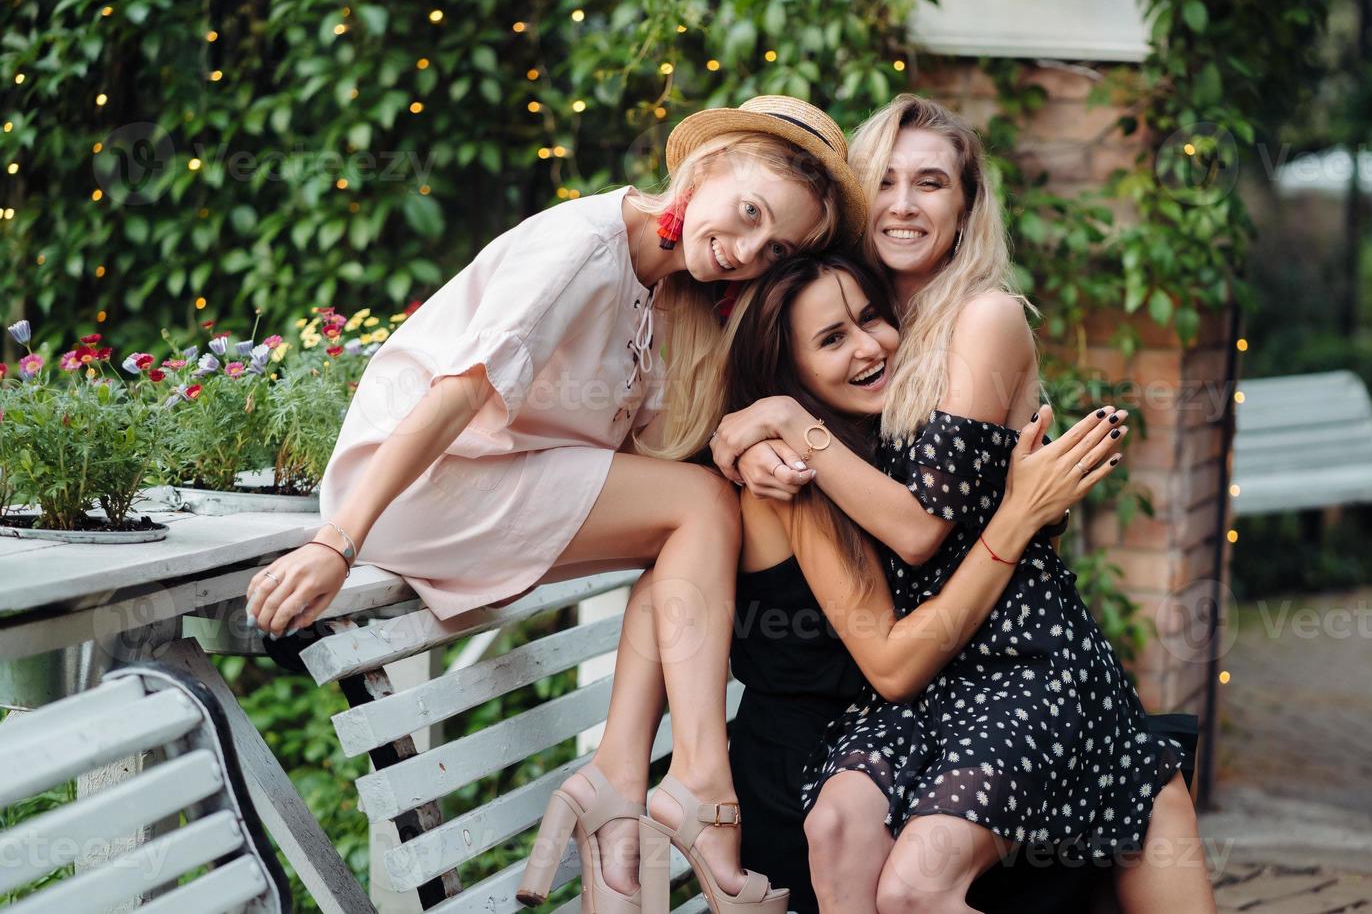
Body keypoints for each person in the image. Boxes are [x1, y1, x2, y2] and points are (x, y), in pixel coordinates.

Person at [243, 95, 868, 914]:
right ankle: (699, 788)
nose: (747, 249)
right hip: (424, 486)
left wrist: (745, 438)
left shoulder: (668, 289)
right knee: (700, 511)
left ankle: (616, 780)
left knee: (695, 527)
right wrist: (337, 541)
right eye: (748, 213)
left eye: (775, 246)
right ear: (707, 168)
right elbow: (456, 397)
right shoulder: (586, 248)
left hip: (492, 478)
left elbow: (660, 460)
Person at [712, 94, 1217, 913]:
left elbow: (915, 531)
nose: (905, 204)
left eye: (933, 183)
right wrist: (744, 431)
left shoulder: (982, 319)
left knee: (915, 886)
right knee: (838, 831)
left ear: (966, 206)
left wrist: (785, 424)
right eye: (887, 181)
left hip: (1018, 656)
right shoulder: (868, 319)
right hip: (923, 671)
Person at [720, 251, 1128, 913]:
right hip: (806, 774)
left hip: (899, 741)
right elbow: (894, 657)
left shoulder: (883, 443)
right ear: (788, 374)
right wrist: (1017, 518)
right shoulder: (791, 474)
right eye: (831, 339)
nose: (868, 345)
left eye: (872, 318)